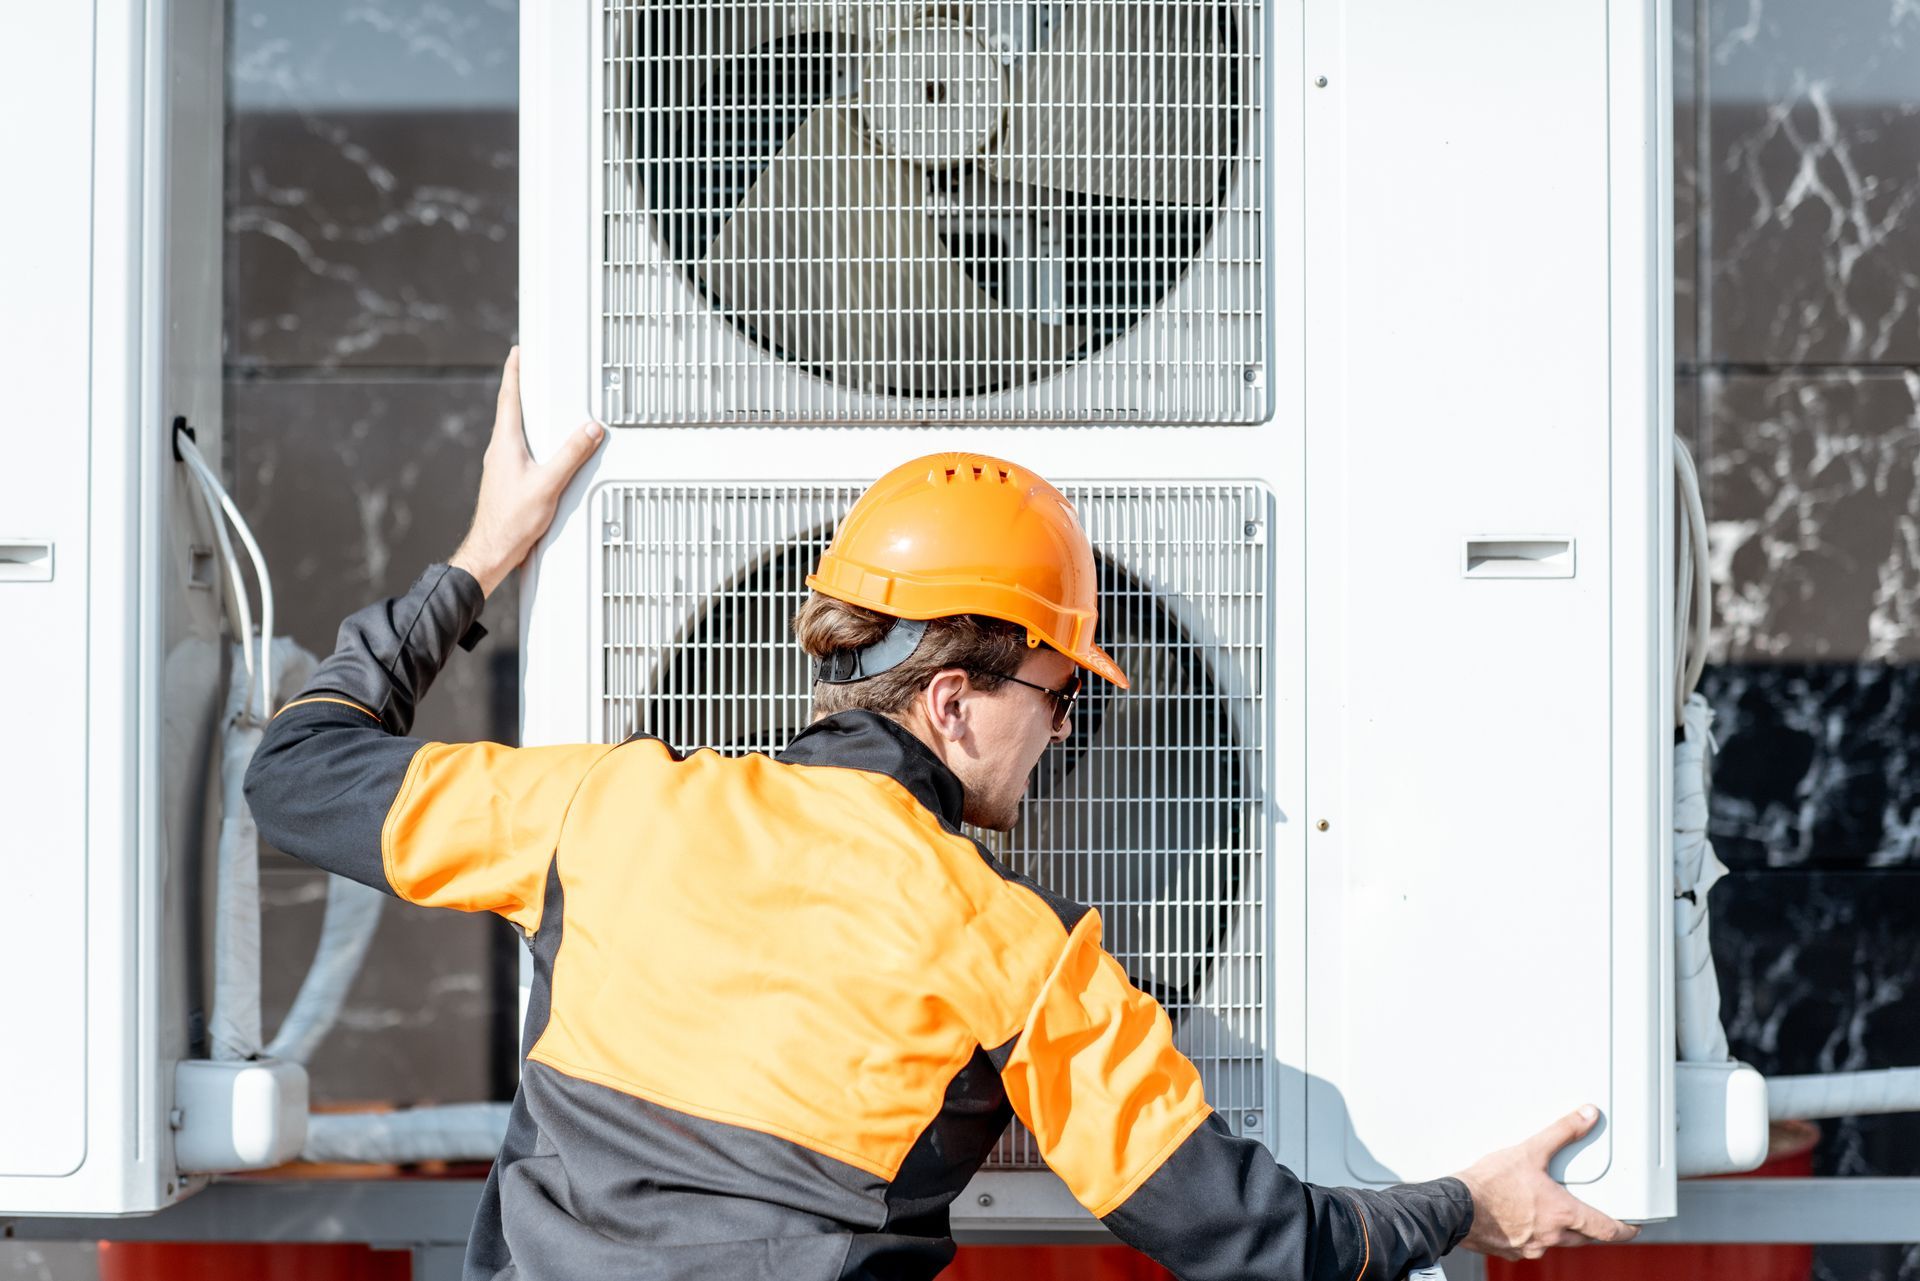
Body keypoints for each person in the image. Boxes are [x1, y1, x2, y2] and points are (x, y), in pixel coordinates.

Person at [246, 350, 1637, 1280]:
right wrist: (1469, 1197)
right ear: (957, 697)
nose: (1072, 725)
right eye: (1057, 687)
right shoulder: (1011, 949)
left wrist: (487, 551)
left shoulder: (610, 807)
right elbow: (1247, 1238)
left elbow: (296, 776)